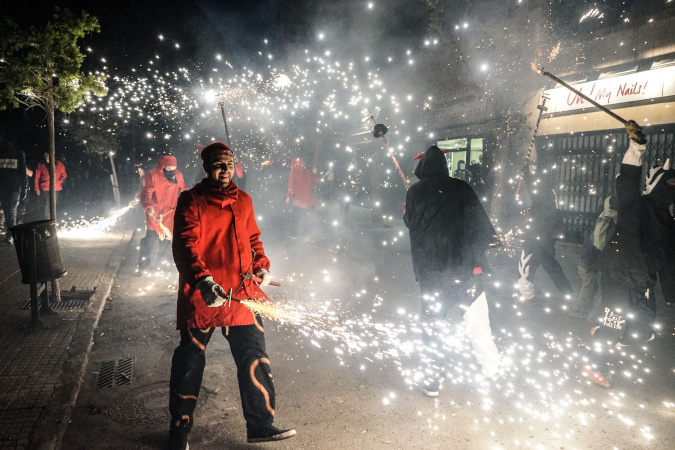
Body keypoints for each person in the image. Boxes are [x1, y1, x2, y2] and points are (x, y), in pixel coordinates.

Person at [168, 142, 296, 449]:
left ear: (234, 165)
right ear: (206, 167)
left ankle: (261, 426)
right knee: (190, 358)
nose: (224, 170)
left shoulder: (244, 201)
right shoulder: (192, 200)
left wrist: (262, 266)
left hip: (241, 296)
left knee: (254, 357)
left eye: (228, 164)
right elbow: (186, 245)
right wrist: (203, 280)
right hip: (206, 295)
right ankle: (179, 430)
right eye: (217, 164)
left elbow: (254, 239)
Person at [404, 145, 501, 397]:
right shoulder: (462, 188)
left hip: (432, 273)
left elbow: (409, 223)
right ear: (445, 166)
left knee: (433, 326)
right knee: (478, 322)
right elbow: (482, 228)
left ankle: (432, 381)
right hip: (467, 268)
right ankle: (491, 369)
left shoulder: (415, 192)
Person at [584, 121, 675, 388]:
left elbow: (669, 262)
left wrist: (670, 296)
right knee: (615, 325)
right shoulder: (634, 204)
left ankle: (602, 332)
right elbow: (629, 178)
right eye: (668, 183)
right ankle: (594, 363)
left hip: (643, 283)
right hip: (617, 276)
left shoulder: (670, 222)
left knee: (644, 330)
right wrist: (637, 147)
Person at [517, 160, 573, 302]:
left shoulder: (543, 189)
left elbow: (534, 192)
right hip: (547, 232)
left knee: (528, 261)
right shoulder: (549, 189)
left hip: (540, 231)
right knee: (546, 262)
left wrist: (526, 174)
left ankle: (527, 293)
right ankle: (567, 292)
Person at [568, 196, 617, 320]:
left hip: (585, 262)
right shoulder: (609, 225)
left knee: (590, 287)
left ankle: (584, 310)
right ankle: (576, 309)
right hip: (588, 264)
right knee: (588, 288)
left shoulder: (600, 223)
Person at [138, 155, 186, 273]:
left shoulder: (178, 175)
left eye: (173, 169)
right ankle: (143, 266)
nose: (171, 172)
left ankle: (162, 266)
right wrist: (148, 207)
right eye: (169, 169)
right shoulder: (153, 175)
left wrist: (188, 201)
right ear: (162, 166)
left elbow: (183, 190)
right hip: (155, 214)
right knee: (150, 238)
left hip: (170, 213)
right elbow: (146, 193)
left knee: (165, 241)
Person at [0, 139, 28, 244]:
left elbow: (22, 171)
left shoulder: (18, 154)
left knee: (10, 210)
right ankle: (10, 234)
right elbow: (22, 172)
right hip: (8, 187)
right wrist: (25, 187)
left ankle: (10, 234)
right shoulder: (18, 154)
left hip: (12, 187)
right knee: (8, 211)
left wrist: (24, 187)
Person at [285, 157, 317, 237]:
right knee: (308, 218)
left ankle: (294, 235)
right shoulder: (309, 172)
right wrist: (315, 174)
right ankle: (307, 236)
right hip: (310, 200)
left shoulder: (293, 173)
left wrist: (288, 196)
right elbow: (315, 182)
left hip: (299, 200)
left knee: (296, 218)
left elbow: (291, 187)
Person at [34, 151, 67, 220]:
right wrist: (37, 188)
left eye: (49, 156)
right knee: (48, 202)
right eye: (46, 156)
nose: (48, 158)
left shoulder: (58, 164)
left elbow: (64, 175)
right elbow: (37, 177)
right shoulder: (41, 165)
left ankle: (53, 218)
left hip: (56, 187)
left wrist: (59, 181)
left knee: (53, 203)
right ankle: (47, 219)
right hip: (45, 187)